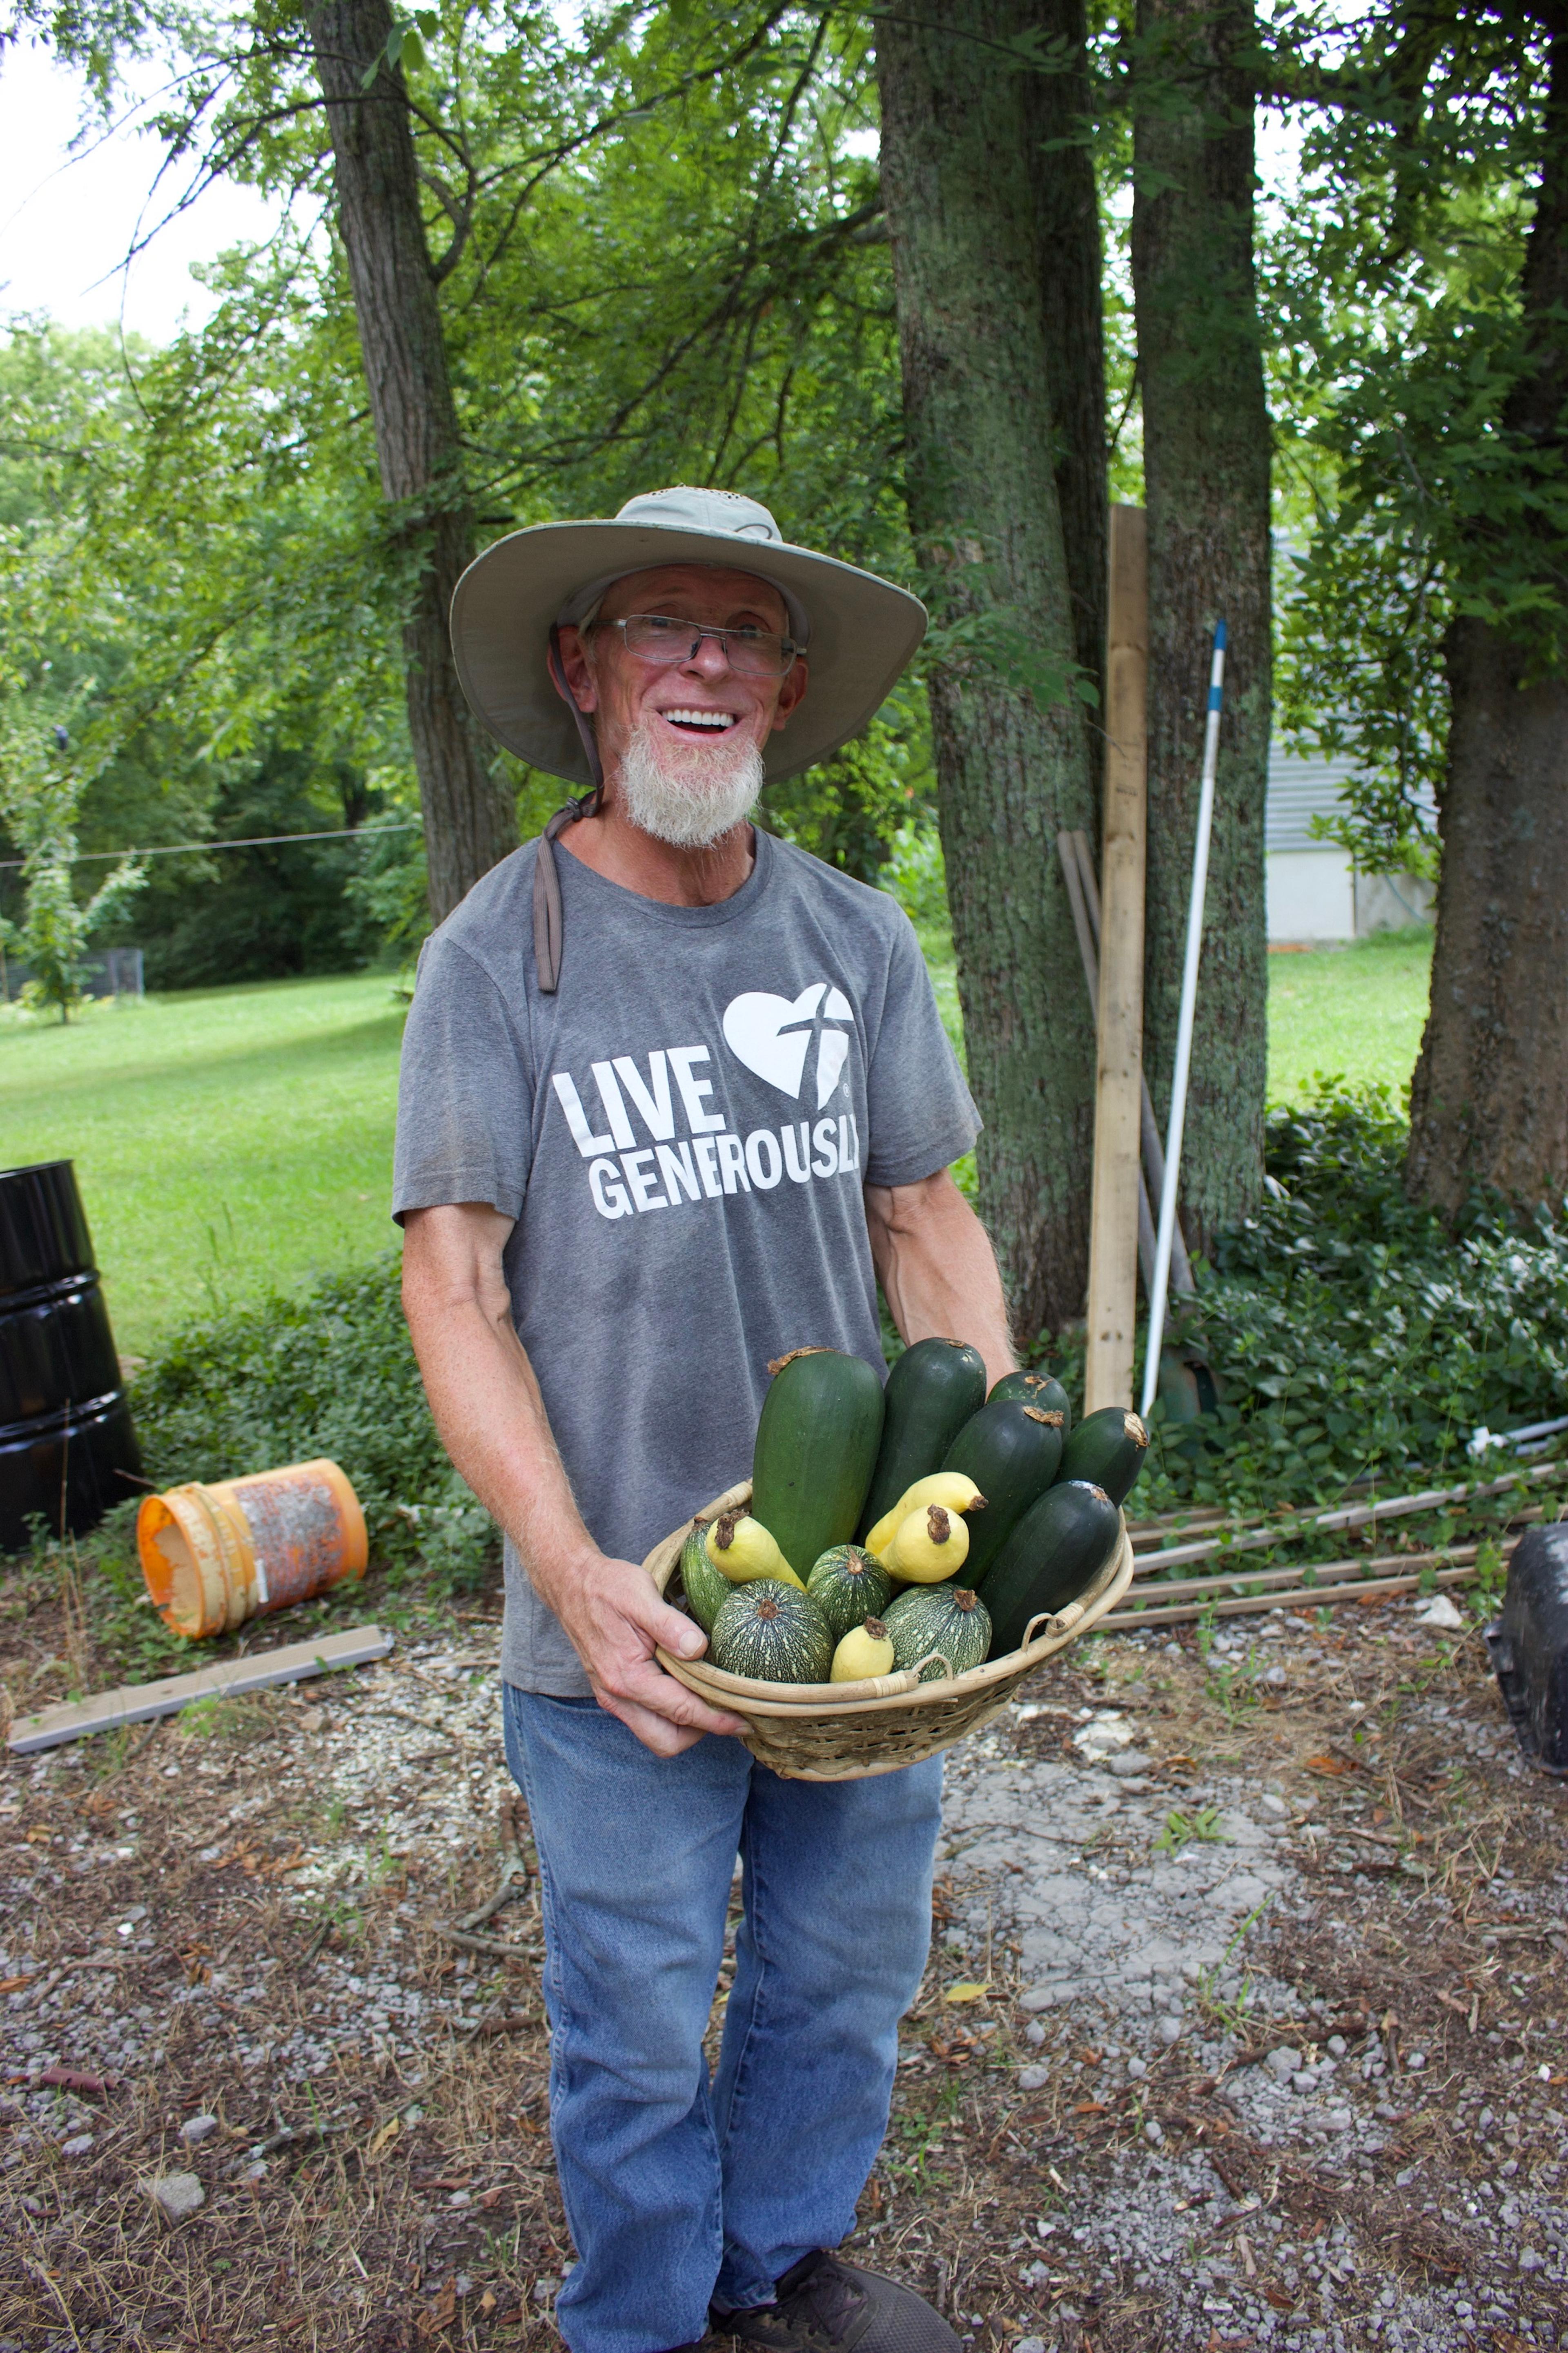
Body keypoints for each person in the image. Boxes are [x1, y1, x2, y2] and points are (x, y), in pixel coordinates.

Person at [394, 486, 1017, 2353]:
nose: (705, 662)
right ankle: (651, 2320)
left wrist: (986, 1489)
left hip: (842, 1616)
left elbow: (928, 1220)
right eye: (664, 624)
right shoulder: (496, 958)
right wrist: (576, 1572)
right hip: (623, 1634)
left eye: (742, 635)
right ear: (583, 673)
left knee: (841, 1978)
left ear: (786, 686)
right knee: (638, 2016)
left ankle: (780, 2270)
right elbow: (456, 1287)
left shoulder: (851, 935)